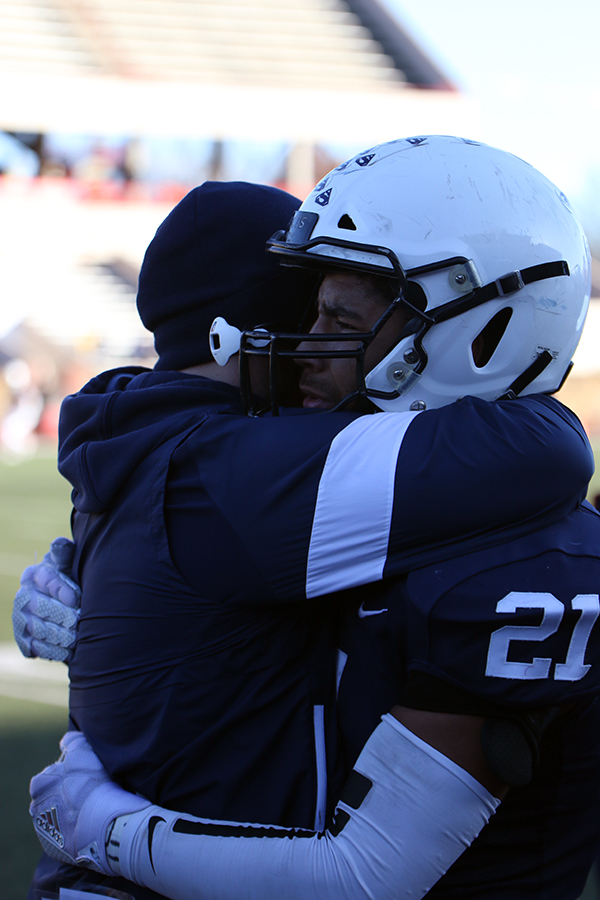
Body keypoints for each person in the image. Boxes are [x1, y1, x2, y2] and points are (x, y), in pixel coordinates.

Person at [22, 136, 600, 899]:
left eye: (338, 318)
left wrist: (108, 831)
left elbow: (362, 878)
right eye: (307, 314)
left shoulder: (516, 553)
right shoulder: (313, 481)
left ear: (479, 329)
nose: (305, 350)